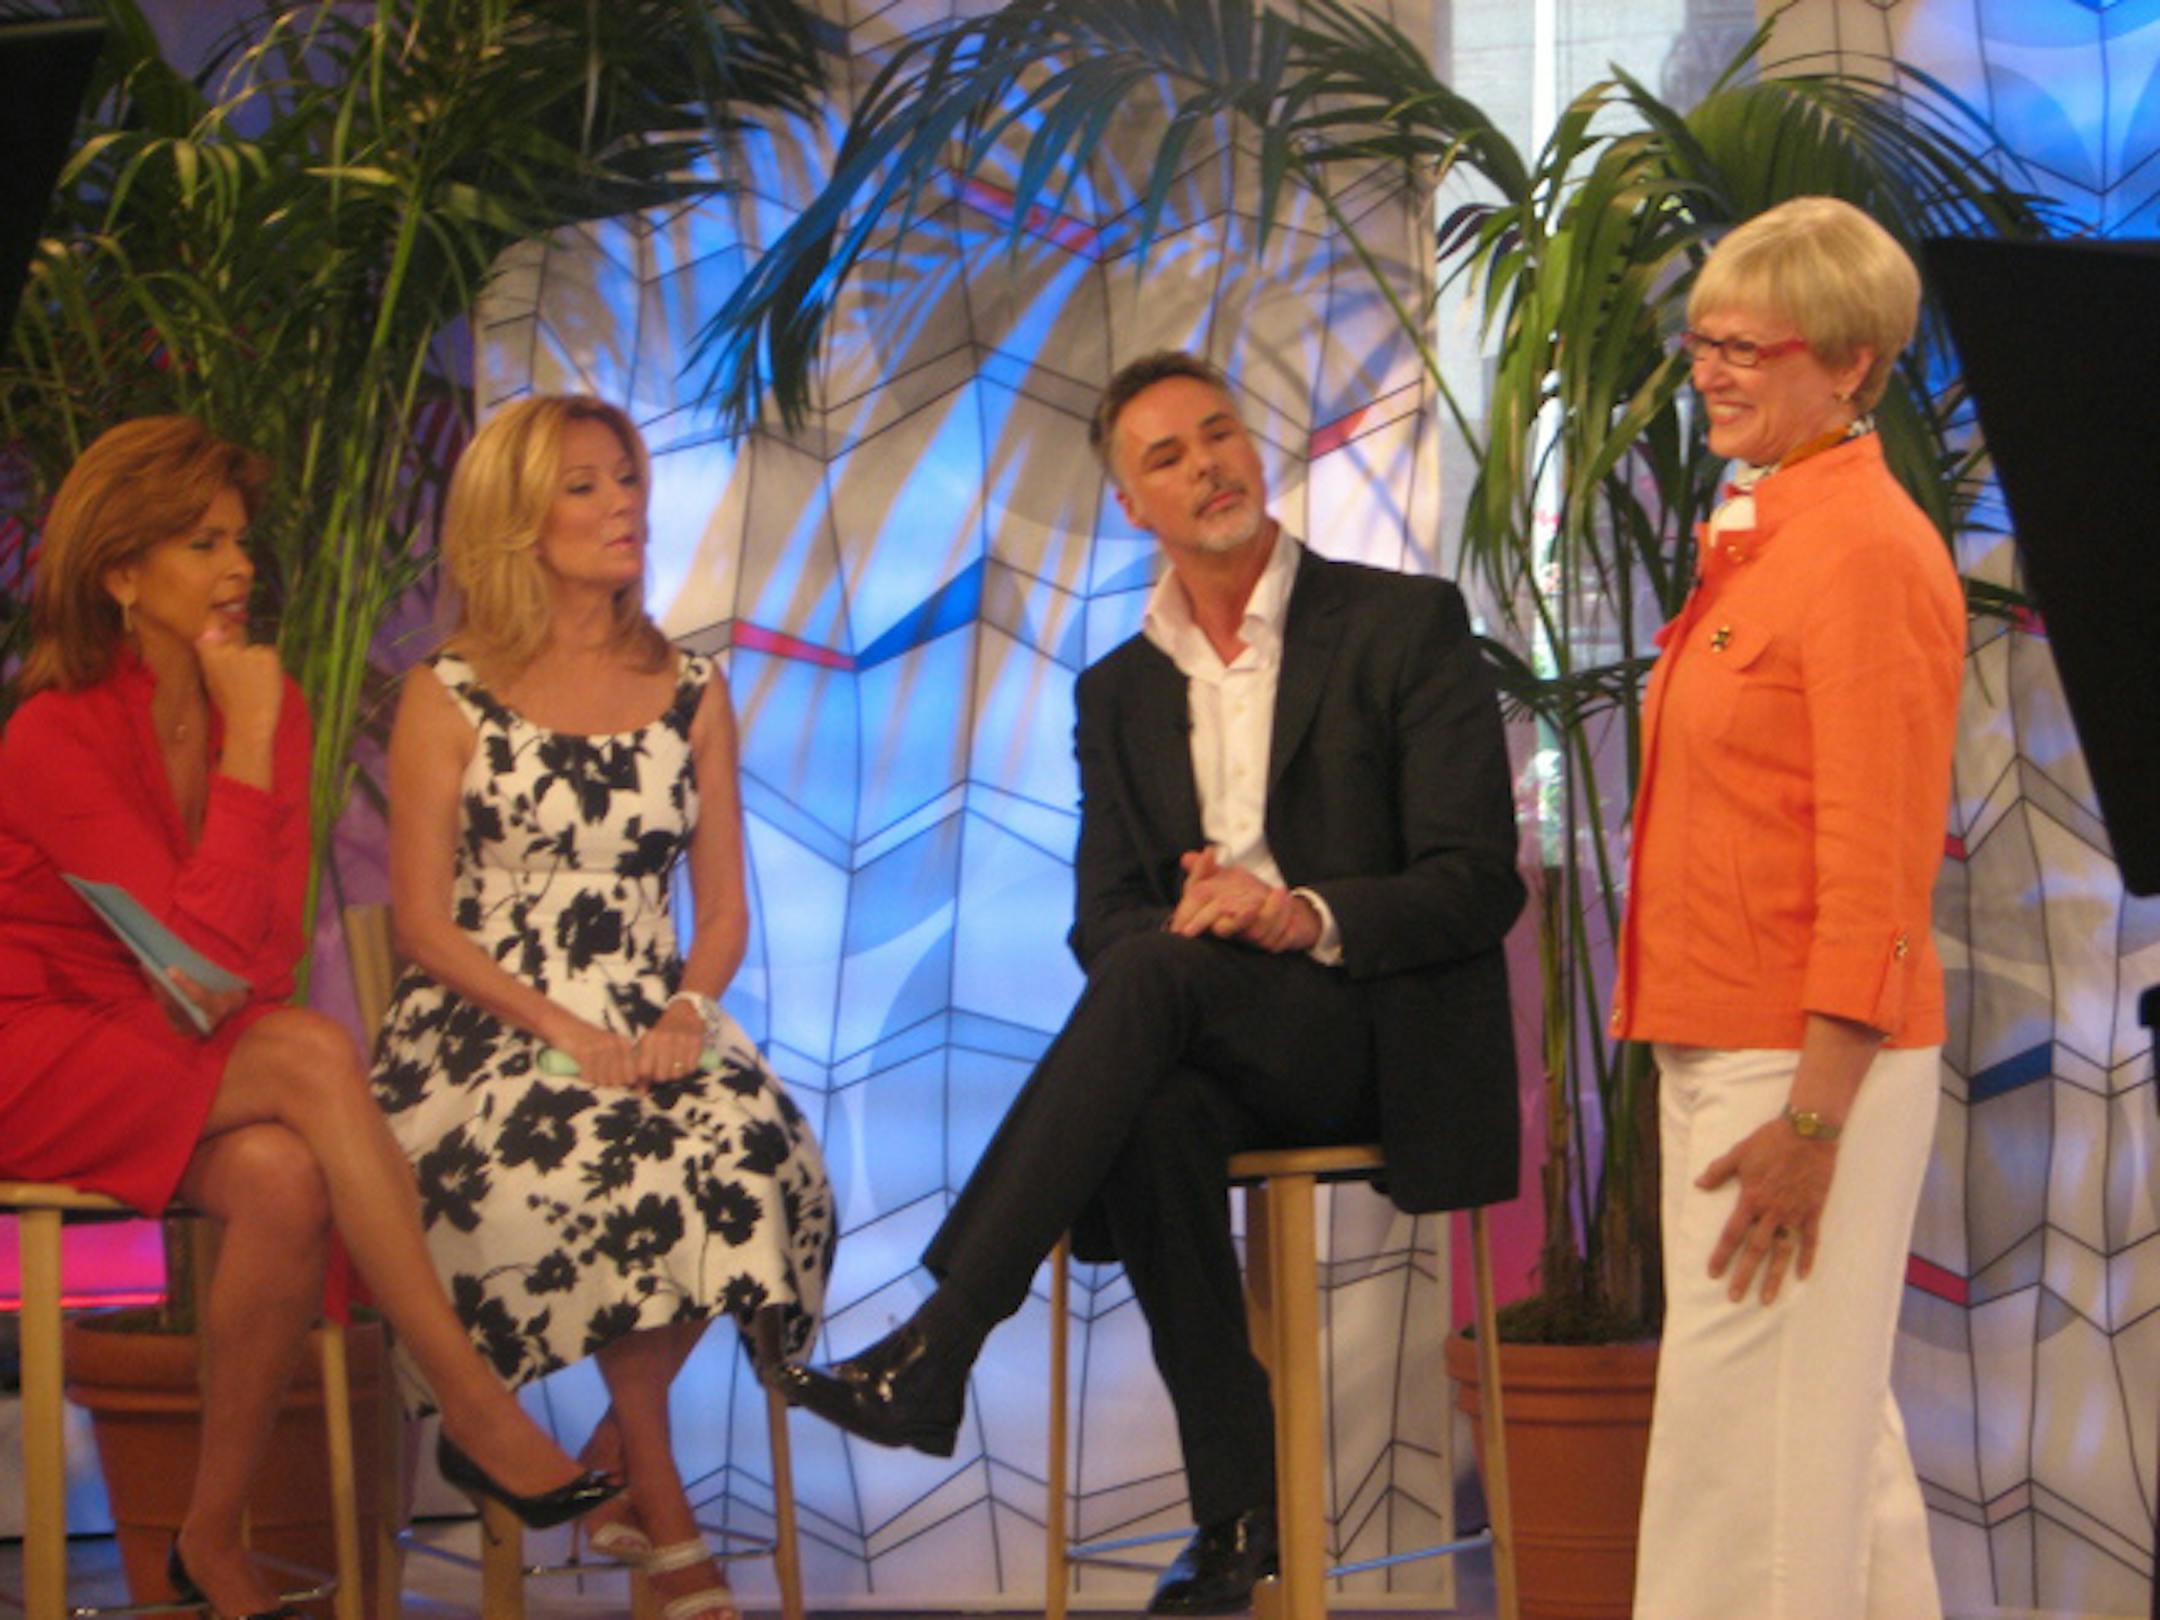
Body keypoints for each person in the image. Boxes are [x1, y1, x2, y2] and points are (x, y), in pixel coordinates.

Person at [776, 350, 1524, 1615]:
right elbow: (1102, 920)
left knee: (1160, 990)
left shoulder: (1402, 622)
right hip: (1206, 1037)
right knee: (1152, 1098)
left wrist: (1291, 916)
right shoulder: (1118, 691)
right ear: (1133, 504)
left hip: (1372, 1029)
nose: (1205, 466)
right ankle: (1243, 1516)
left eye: (1219, 434)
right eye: (1165, 456)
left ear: (1257, 450)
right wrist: (1188, 933)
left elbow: (1477, 879)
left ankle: (944, 1336)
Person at [0, 417, 621, 1620]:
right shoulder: (50, 736)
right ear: (121, 577)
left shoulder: (269, 699)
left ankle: (210, 1537)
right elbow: (202, 973)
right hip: (35, 1046)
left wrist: (247, 729)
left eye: (238, 538)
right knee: (309, 1051)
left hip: (185, 1046)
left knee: (285, 1175)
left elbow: (259, 954)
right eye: (199, 543)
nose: (237, 566)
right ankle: (472, 1404)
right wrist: (240, 743)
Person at [369, 394, 834, 1620]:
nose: (624, 503)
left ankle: (624, 1465)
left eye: (625, 479)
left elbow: (723, 912)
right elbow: (419, 924)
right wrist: (561, 1030)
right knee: (602, 1156)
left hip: (648, 1010)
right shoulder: (447, 691)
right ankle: (665, 1503)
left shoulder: (692, 689)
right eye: (585, 485)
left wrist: (685, 1007)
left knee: (744, 1154)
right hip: (482, 1025)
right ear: (515, 519)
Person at [1611, 196, 1965, 1619]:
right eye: (1704, 342)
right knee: (1823, 1441)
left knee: (1739, 1470)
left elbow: (1879, 862)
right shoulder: (1763, 531)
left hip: (1807, 1065)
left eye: (1751, 347)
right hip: (1720, 1042)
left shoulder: (1868, 553)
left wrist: (1816, 1117)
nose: (1712, 372)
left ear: (1855, 365)